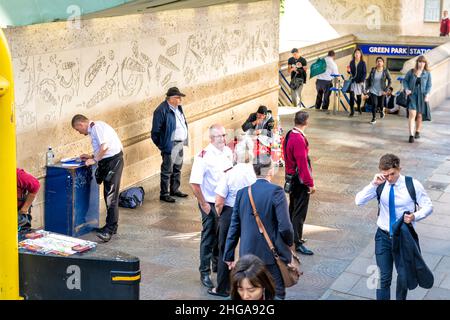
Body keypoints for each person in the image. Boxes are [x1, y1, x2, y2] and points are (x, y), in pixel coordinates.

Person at [355, 154, 432, 300]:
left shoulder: (412, 184)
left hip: (403, 237)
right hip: (383, 236)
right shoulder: (381, 184)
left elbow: (428, 206)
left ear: (399, 169)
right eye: (386, 175)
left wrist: (415, 216)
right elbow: (359, 201)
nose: (389, 178)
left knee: (403, 278)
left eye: (392, 174)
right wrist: (373, 184)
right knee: (383, 278)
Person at [224, 156, 294, 299]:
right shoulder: (276, 192)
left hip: (247, 255)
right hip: (270, 254)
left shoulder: (242, 193)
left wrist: (229, 254)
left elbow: (234, 227)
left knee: (249, 293)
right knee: (276, 291)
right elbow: (285, 227)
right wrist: (289, 244)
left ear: (254, 171)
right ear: (271, 170)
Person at [208, 141, 257, 297]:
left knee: (226, 249)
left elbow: (219, 200)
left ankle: (223, 288)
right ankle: (248, 286)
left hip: (230, 212)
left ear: (236, 155)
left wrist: (220, 214)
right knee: (248, 250)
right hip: (249, 213)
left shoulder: (230, 173)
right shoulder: (253, 173)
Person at [189, 124, 234, 289]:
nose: (222, 139)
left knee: (222, 234)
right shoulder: (203, 156)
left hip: (226, 202)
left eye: (224, 135)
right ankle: (204, 272)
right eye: (218, 136)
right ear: (211, 138)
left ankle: (217, 264)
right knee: (209, 238)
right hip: (210, 202)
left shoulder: (228, 152)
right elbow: (194, 183)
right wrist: (204, 204)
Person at [71, 114, 124, 242]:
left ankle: (109, 230)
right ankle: (111, 225)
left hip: (113, 162)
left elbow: (105, 147)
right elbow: (102, 148)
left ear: (81, 124)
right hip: (109, 161)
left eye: (78, 130)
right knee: (109, 195)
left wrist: (94, 160)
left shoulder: (96, 128)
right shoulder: (96, 128)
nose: (79, 132)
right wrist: (90, 156)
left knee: (111, 196)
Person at [283, 110, 315, 256]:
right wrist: (310, 183)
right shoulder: (299, 139)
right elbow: (302, 164)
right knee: (299, 212)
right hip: (299, 180)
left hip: (291, 177)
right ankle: (297, 241)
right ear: (306, 122)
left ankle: (290, 237)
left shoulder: (290, 134)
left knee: (293, 208)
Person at [151, 87, 189, 203]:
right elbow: (155, 132)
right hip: (170, 144)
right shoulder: (161, 110)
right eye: (178, 98)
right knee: (167, 170)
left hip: (179, 142)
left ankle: (174, 189)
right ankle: (164, 193)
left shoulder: (178, 108)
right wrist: (163, 145)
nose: (180, 100)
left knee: (177, 167)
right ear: (171, 98)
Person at [403, 55, 432, 143]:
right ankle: (411, 135)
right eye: (420, 62)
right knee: (412, 115)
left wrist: (427, 94)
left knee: (419, 115)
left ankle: (417, 131)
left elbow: (429, 85)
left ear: (425, 63)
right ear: (417, 63)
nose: (421, 64)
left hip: (422, 96)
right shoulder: (411, 72)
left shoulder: (427, 73)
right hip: (412, 95)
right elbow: (405, 81)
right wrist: (407, 89)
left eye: (423, 62)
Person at [365, 57, 392, 124]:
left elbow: (390, 81)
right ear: (376, 63)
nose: (379, 63)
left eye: (380, 61)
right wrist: (366, 88)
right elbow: (368, 79)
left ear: (383, 63)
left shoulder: (385, 71)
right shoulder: (373, 70)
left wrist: (386, 90)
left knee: (381, 105)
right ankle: (373, 118)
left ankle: (382, 110)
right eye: (378, 61)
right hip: (373, 90)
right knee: (374, 104)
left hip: (382, 91)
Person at [347, 48, 367, 117]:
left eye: (358, 53)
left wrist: (362, 80)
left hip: (359, 82)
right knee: (351, 96)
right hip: (353, 81)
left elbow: (364, 73)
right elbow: (350, 72)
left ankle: (358, 107)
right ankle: (352, 110)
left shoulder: (363, 63)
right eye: (356, 53)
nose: (357, 54)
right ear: (354, 54)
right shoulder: (351, 62)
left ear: (360, 54)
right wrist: (348, 71)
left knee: (358, 97)